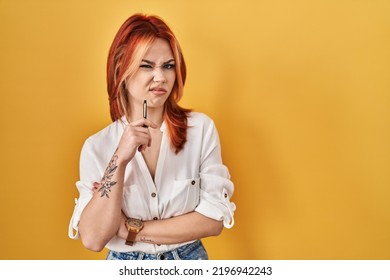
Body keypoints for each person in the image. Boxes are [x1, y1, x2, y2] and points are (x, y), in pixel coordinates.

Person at [68, 13, 235, 260]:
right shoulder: (97, 146)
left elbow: (212, 221)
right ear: (120, 70)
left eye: (168, 66)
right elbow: (93, 238)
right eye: (146, 65)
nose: (161, 77)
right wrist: (119, 160)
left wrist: (129, 229)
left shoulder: (200, 130)